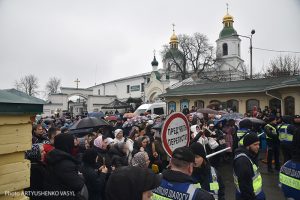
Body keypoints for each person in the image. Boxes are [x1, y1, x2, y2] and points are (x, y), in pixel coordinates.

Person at [43, 133, 85, 199]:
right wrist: (81, 176)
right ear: (67, 144)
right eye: (71, 143)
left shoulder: (54, 156)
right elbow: (77, 185)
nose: (73, 146)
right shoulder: (65, 163)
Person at [233, 133, 265, 200]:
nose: (258, 147)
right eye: (255, 145)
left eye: (258, 144)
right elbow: (244, 185)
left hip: (256, 193)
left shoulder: (250, 154)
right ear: (247, 146)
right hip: (252, 196)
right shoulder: (243, 161)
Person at [279, 115, 300, 199]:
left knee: (286, 158)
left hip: (283, 144)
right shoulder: (292, 127)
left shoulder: (281, 126)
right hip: (290, 145)